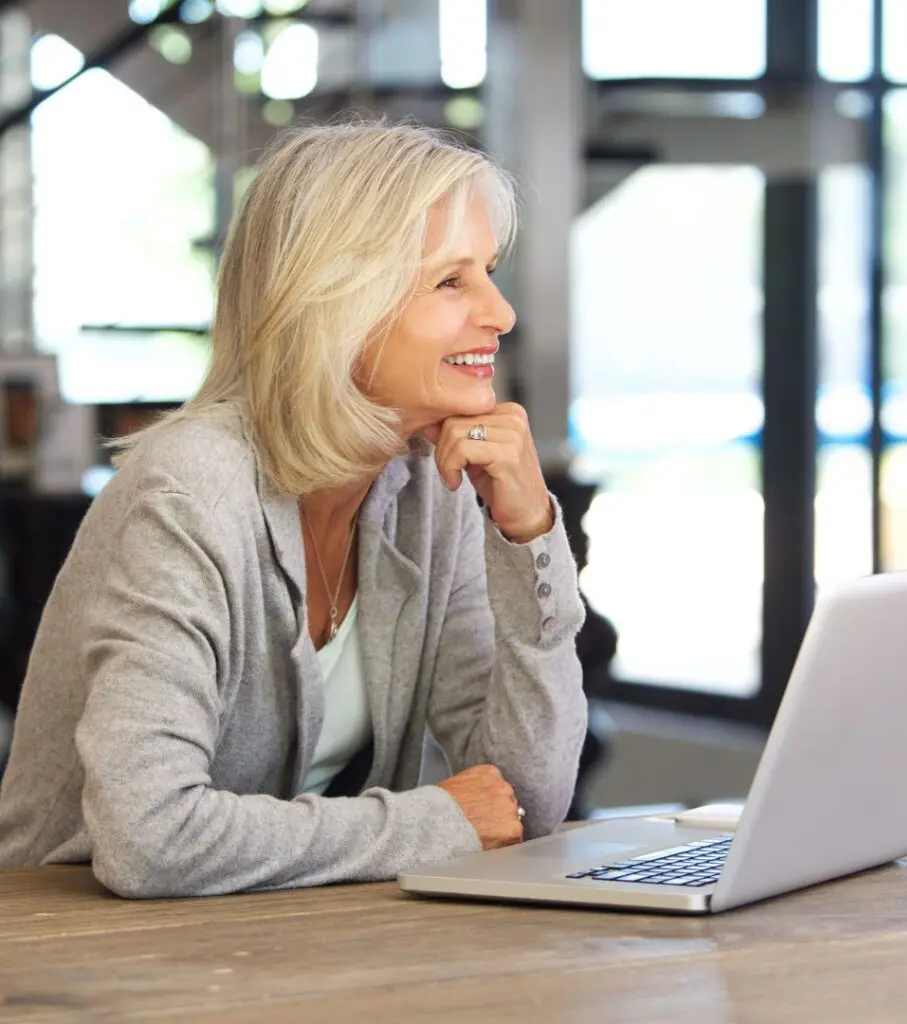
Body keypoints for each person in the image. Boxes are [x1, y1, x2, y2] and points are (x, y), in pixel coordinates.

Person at [0, 121, 588, 898]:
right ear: (338, 303)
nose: (501, 313)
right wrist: (437, 823)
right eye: (452, 281)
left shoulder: (431, 485)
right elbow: (150, 839)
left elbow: (525, 799)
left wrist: (530, 536)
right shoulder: (190, 492)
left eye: (487, 272)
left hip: (279, 940)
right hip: (77, 953)